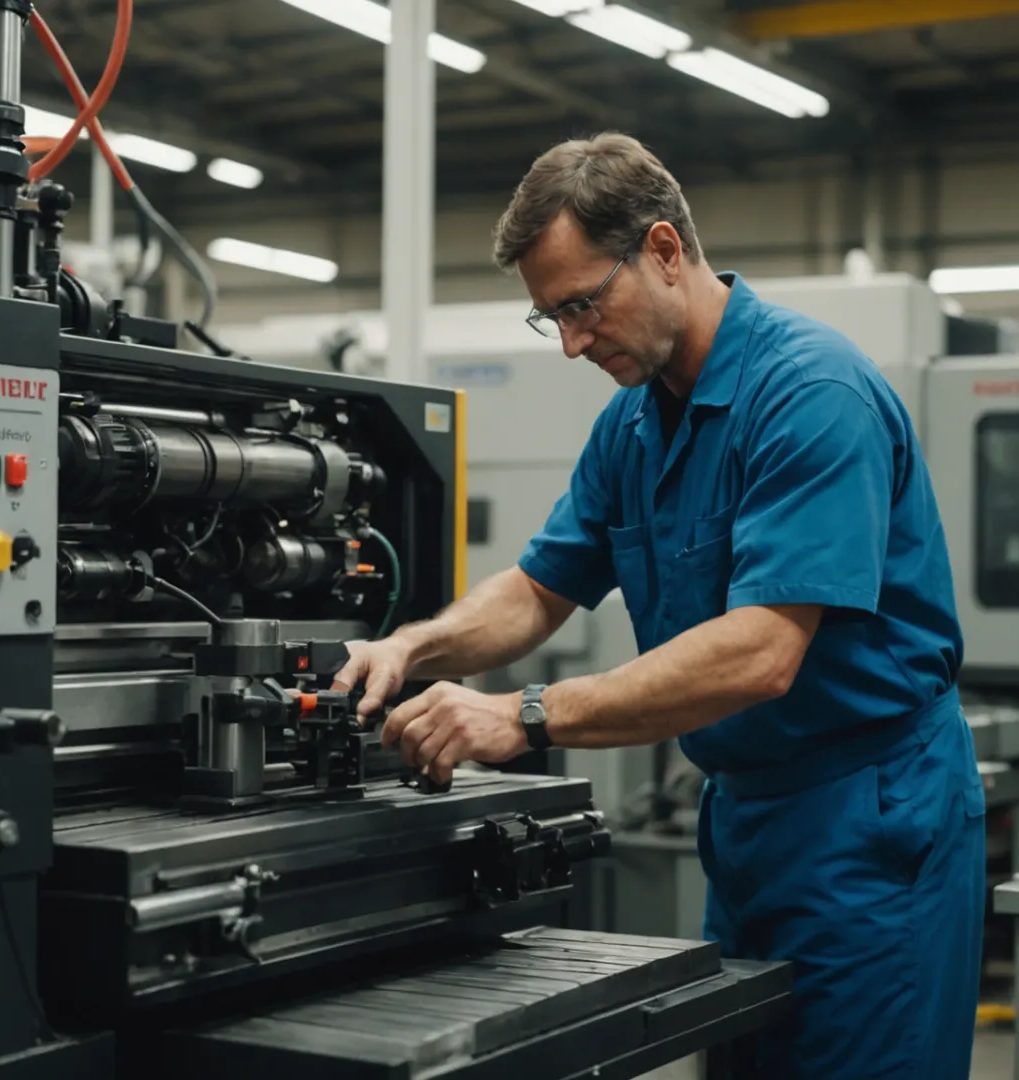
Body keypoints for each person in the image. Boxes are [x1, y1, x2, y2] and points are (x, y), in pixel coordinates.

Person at [332, 132, 984, 1079]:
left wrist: (523, 714)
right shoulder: (633, 424)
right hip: (750, 823)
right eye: (548, 319)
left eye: (583, 305)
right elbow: (538, 589)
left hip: (871, 824)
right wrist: (415, 648)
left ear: (666, 251)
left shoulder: (811, 393)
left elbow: (762, 653)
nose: (570, 343)